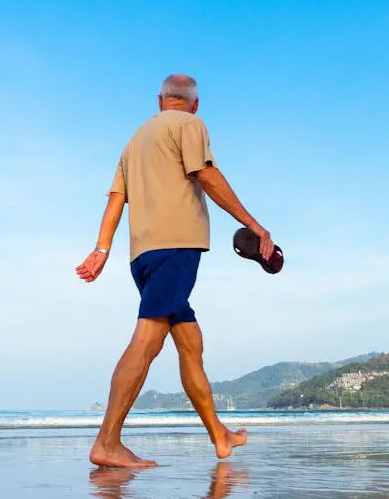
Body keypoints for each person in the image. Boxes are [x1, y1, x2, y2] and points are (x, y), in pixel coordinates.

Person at [76, 74, 274, 468]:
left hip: (142, 256)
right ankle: (107, 442)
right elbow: (206, 175)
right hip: (177, 248)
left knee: (189, 343)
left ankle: (219, 435)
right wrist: (255, 225)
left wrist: (101, 249)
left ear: (160, 100)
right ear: (195, 104)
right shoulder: (190, 125)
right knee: (147, 341)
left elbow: (117, 201)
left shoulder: (133, 142)